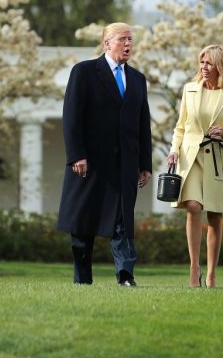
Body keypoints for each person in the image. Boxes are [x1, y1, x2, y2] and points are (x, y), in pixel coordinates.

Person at [57, 22, 153, 286]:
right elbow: (71, 117)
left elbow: (143, 123)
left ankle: (125, 275)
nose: (128, 44)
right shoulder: (84, 72)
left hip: (124, 164)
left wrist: (145, 163)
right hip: (89, 163)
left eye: (131, 39)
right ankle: (82, 278)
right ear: (107, 43)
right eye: (123, 39)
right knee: (82, 223)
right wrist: (76, 154)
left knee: (123, 223)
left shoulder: (137, 79)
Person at [167, 45, 223, 288]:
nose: (204, 67)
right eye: (202, 63)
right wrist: (173, 151)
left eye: (209, 63)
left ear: (221, 66)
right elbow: (181, 126)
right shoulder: (189, 89)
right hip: (190, 156)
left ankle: (211, 274)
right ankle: (194, 268)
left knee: (215, 216)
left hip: (217, 158)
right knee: (192, 206)